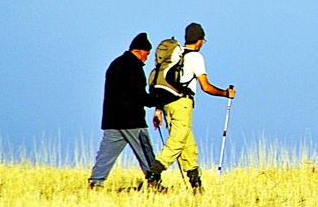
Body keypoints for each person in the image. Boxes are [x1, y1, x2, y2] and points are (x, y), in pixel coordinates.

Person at [147, 22, 234, 193]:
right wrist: (225, 93)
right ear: (199, 40)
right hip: (183, 104)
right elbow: (206, 87)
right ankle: (153, 176)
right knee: (177, 142)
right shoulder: (195, 57)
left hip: (167, 105)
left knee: (188, 146)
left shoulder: (176, 55)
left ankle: (196, 185)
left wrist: (158, 110)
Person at [88, 32, 159, 189]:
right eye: (146, 54)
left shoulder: (115, 64)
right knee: (146, 152)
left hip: (112, 120)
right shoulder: (135, 67)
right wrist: (155, 100)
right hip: (132, 120)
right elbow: (138, 94)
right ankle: (155, 184)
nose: (146, 59)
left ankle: (95, 183)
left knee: (106, 154)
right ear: (139, 51)